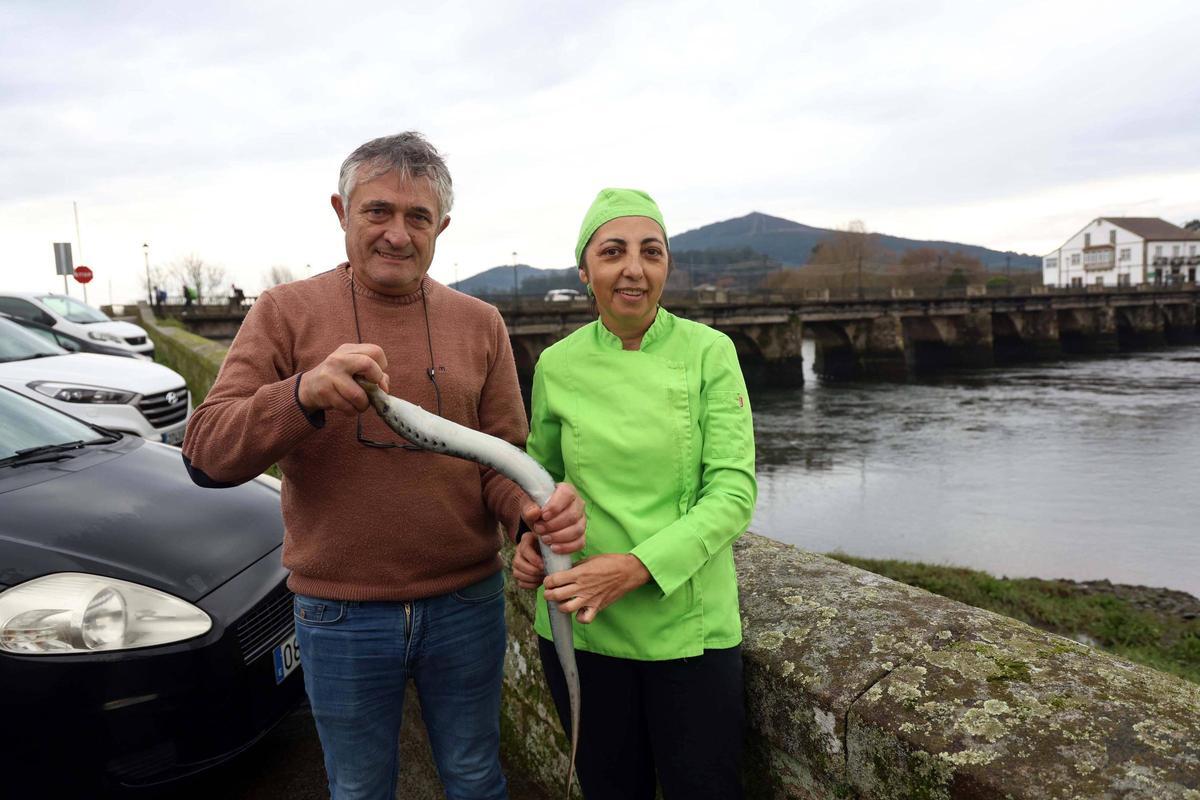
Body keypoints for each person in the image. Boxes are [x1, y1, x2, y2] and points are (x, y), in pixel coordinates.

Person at [181, 132, 586, 800]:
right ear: (341, 212)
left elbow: (503, 461)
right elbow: (207, 452)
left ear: (442, 227)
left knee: (476, 775)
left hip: (466, 601)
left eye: (418, 217)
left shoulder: (481, 323)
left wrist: (531, 516)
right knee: (361, 787)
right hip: (339, 613)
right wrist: (302, 393)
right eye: (378, 212)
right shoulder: (283, 313)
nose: (397, 233)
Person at [513, 188, 757, 800]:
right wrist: (529, 539)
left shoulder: (710, 353)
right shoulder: (556, 365)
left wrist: (634, 568)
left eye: (651, 252)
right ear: (585, 271)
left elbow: (732, 492)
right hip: (580, 629)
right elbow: (540, 481)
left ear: (666, 266)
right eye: (613, 251)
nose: (634, 268)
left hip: (690, 631)